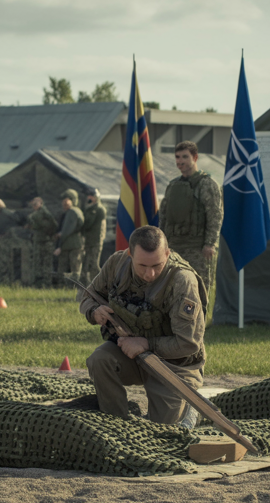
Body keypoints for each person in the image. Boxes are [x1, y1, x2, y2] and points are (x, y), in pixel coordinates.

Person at [79, 226, 206, 425]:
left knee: (164, 431)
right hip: (132, 356)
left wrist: (146, 344)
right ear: (130, 254)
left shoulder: (182, 281)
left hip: (173, 365)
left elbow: (189, 344)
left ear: (167, 254)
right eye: (142, 266)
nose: (150, 274)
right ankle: (115, 422)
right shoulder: (117, 264)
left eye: (157, 265)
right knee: (100, 359)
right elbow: (88, 296)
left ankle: (191, 410)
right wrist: (94, 311)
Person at [158, 140, 223, 313]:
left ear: (195, 157)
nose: (180, 161)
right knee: (173, 289)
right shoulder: (172, 186)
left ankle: (198, 325)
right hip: (174, 248)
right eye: (177, 157)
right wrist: (161, 245)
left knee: (198, 291)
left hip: (197, 249)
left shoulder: (207, 184)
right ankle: (177, 324)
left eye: (185, 157)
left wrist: (210, 243)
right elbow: (164, 217)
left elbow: (215, 216)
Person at [54, 189, 86, 285]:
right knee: (73, 267)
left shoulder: (72, 212)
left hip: (72, 245)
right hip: (71, 244)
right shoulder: (74, 212)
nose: (64, 203)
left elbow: (66, 231)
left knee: (73, 268)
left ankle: (70, 286)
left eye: (66, 200)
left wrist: (59, 245)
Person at [27, 196, 59, 287]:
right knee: (40, 262)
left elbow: (52, 225)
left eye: (35, 204)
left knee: (44, 263)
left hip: (44, 241)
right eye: (33, 204)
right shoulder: (40, 214)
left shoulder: (41, 214)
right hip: (41, 240)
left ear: (41, 204)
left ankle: (44, 282)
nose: (34, 206)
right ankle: (41, 282)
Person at [80, 188, 108, 282]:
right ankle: (86, 283)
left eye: (91, 196)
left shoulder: (98, 209)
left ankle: (98, 283)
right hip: (88, 241)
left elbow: (88, 223)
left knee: (94, 264)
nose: (89, 198)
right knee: (86, 263)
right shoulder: (90, 209)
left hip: (95, 241)